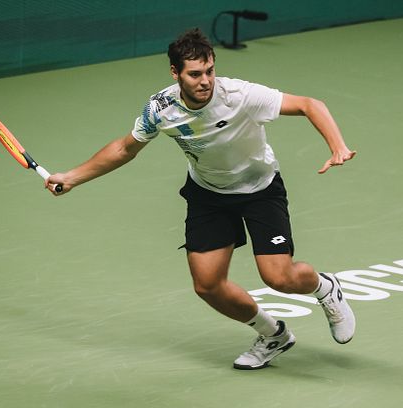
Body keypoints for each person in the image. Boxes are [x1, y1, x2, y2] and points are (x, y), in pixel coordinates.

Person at [46, 28, 356, 370]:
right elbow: (124, 148)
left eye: (209, 71)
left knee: (279, 278)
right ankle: (274, 335)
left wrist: (337, 146)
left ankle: (326, 288)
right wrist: (72, 177)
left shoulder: (240, 94)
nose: (205, 81)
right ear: (175, 73)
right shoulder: (160, 108)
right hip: (208, 193)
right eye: (195, 74)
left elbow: (310, 105)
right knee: (207, 285)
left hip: (259, 189)